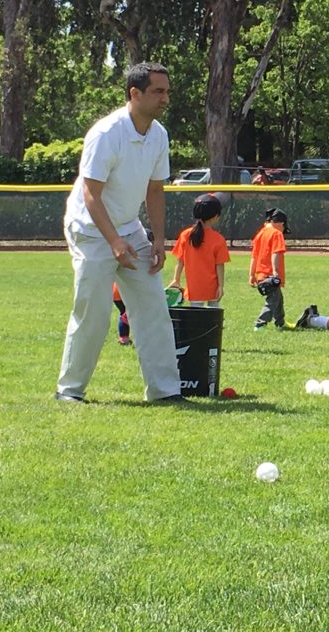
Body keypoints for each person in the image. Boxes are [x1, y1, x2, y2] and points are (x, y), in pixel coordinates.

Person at [55, 62, 185, 404]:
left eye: (167, 91)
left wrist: (158, 239)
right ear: (134, 93)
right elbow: (90, 194)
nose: (165, 98)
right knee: (94, 313)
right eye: (158, 91)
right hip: (90, 229)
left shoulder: (159, 134)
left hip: (130, 228)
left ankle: (165, 391)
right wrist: (113, 241)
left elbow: (155, 191)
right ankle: (69, 392)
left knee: (154, 307)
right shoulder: (106, 133)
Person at [169, 193, 230, 307]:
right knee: (213, 318)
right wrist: (221, 286)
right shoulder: (218, 239)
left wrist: (176, 279)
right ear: (215, 216)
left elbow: (180, 261)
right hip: (212, 287)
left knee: (196, 317)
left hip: (194, 287)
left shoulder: (185, 235)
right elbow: (219, 266)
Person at [250, 208, 293, 330]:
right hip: (270, 276)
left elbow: (254, 256)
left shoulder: (260, 233)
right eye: (284, 227)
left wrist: (251, 275)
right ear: (281, 223)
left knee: (278, 299)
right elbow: (275, 253)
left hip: (260, 275)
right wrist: (275, 271)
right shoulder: (276, 233)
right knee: (272, 301)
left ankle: (280, 322)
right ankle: (260, 324)